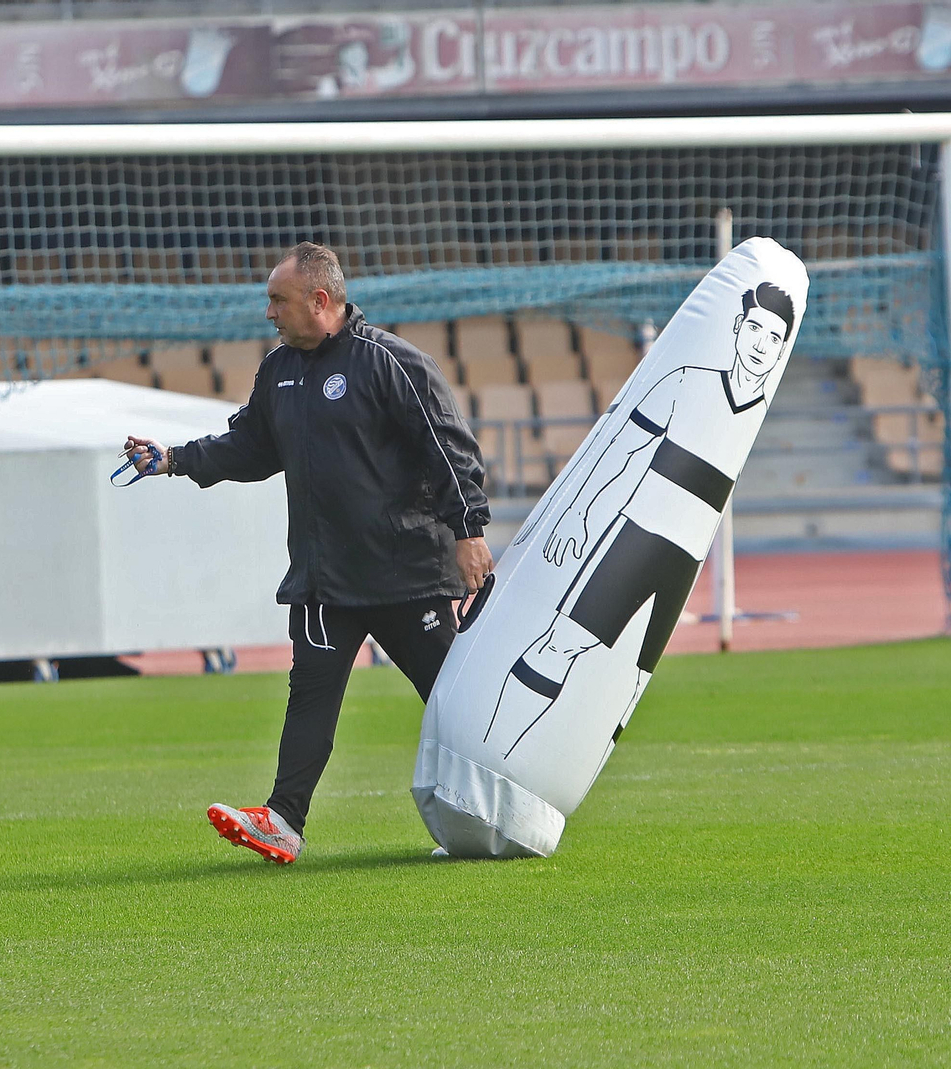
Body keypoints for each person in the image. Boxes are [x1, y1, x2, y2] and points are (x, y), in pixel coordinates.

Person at [122, 241, 492, 864]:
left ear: (320, 301)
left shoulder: (391, 364)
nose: (269, 313)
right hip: (326, 578)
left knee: (457, 701)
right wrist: (175, 459)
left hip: (407, 574)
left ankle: (508, 802)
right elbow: (248, 447)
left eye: (278, 300)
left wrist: (470, 532)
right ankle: (283, 821)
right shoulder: (278, 370)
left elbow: (449, 450)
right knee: (309, 696)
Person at [485, 282, 797, 761]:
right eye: (755, 328)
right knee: (560, 644)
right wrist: (578, 513)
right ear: (737, 328)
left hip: (685, 558)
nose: (760, 344)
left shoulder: (753, 418)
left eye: (774, 338)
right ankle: (491, 755)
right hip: (636, 537)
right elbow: (619, 450)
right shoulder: (686, 380)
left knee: (629, 686)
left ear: (781, 351)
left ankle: (558, 780)